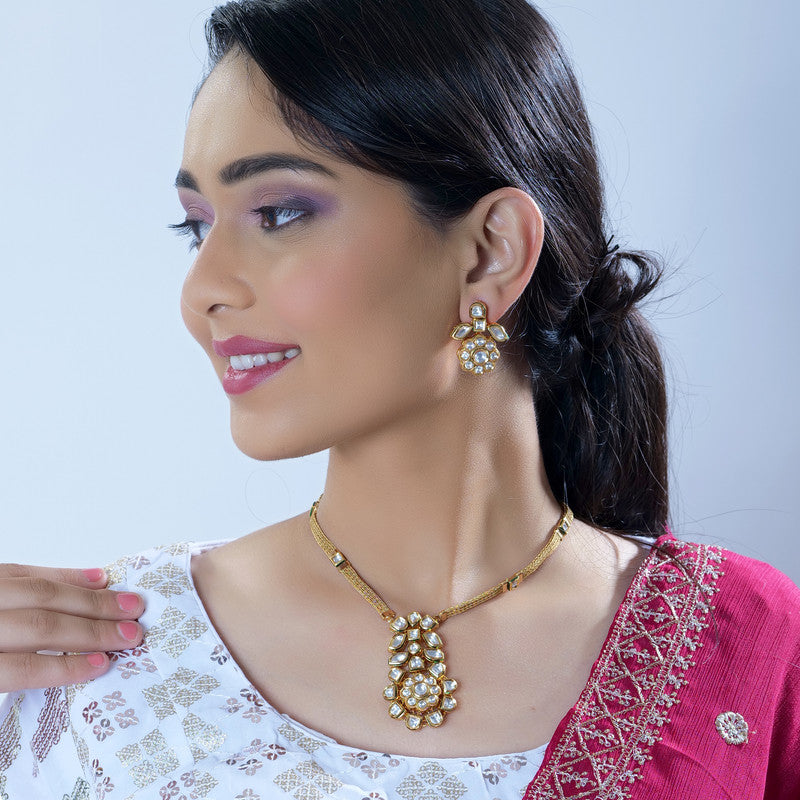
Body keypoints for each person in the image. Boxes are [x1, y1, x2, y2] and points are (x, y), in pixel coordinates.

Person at [1, 0, 798, 797]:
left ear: (490, 253)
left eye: (278, 214)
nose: (201, 290)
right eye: (196, 227)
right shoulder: (101, 661)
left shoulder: (748, 645)